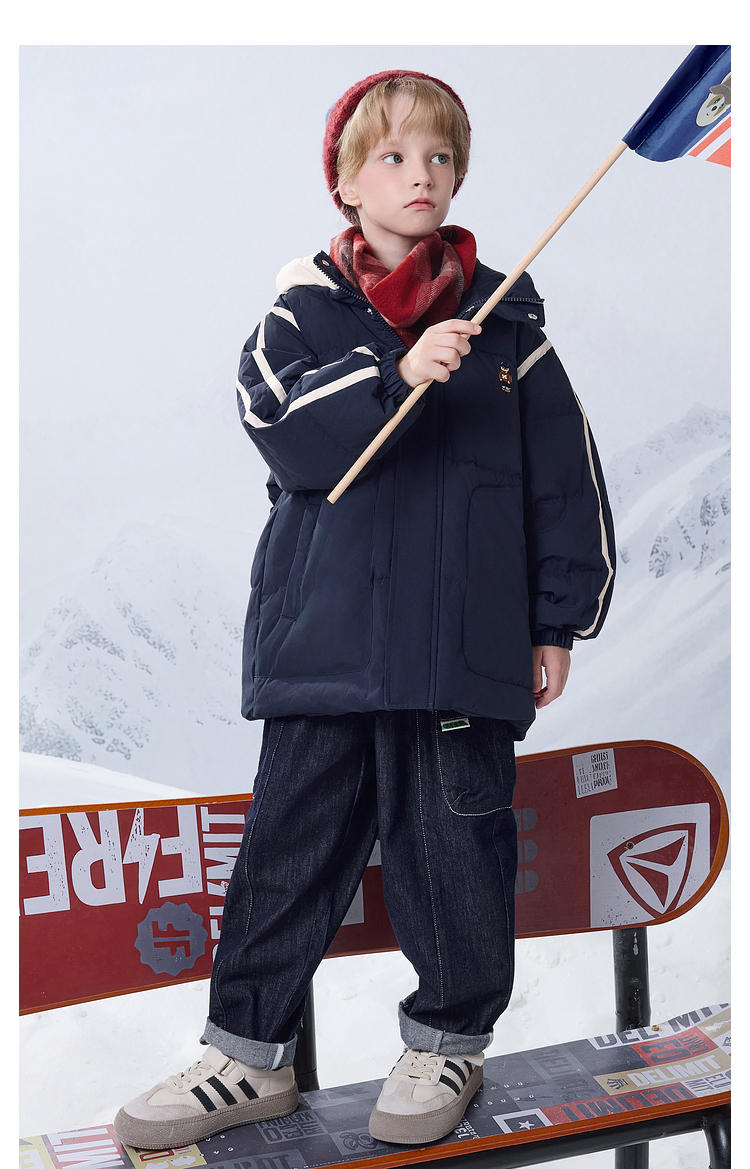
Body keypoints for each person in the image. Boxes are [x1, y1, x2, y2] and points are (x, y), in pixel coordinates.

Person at [114, 69, 615, 1153]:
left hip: (459, 651)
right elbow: (280, 425)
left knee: (455, 846)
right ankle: (247, 1053)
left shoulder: (508, 327)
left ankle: (447, 1040)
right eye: (393, 156)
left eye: (439, 157)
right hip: (326, 646)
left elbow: (564, 484)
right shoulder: (298, 314)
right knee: (287, 850)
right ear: (346, 182)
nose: (419, 175)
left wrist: (553, 619)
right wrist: (396, 370)